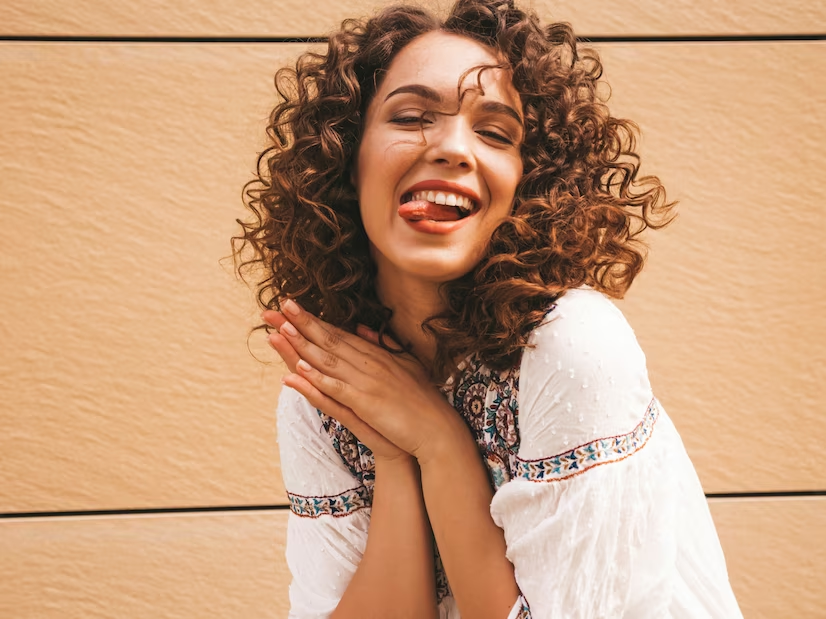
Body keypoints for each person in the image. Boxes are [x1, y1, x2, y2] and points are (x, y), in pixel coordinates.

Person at [233, 0, 744, 616]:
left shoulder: (571, 347)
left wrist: (439, 442)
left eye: (496, 132)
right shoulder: (326, 391)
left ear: (529, 184)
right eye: (413, 116)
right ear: (347, 156)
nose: (453, 148)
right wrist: (397, 456)